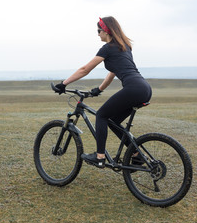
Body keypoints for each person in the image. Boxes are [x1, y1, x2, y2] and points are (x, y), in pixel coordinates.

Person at [55, 16, 152, 168]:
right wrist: (99, 89)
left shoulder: (107, 48)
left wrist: (63, 84)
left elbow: (85, 69)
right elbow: (112, 73)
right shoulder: (124, 46)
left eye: (98, 30)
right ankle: (137, 155)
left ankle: (100, 157)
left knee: (101, 115)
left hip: (133, 89)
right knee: (113, 121)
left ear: (106, 31)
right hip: (145, 88)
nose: (97, 34)